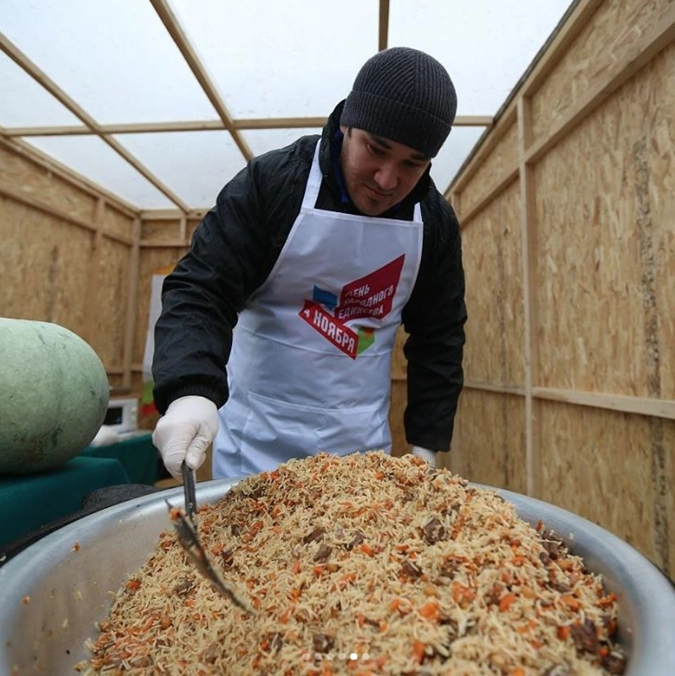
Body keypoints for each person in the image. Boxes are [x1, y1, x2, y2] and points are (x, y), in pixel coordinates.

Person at [151, 46, 467, 481]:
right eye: (376, 149)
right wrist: (189, 390)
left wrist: (426, 446)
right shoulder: (273, 184)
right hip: (255, 441)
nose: (386, 179)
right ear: (347, 125)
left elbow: (439, 336)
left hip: (360, 453)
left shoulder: (433, 223)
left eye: (412, 164)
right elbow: (202, 289)